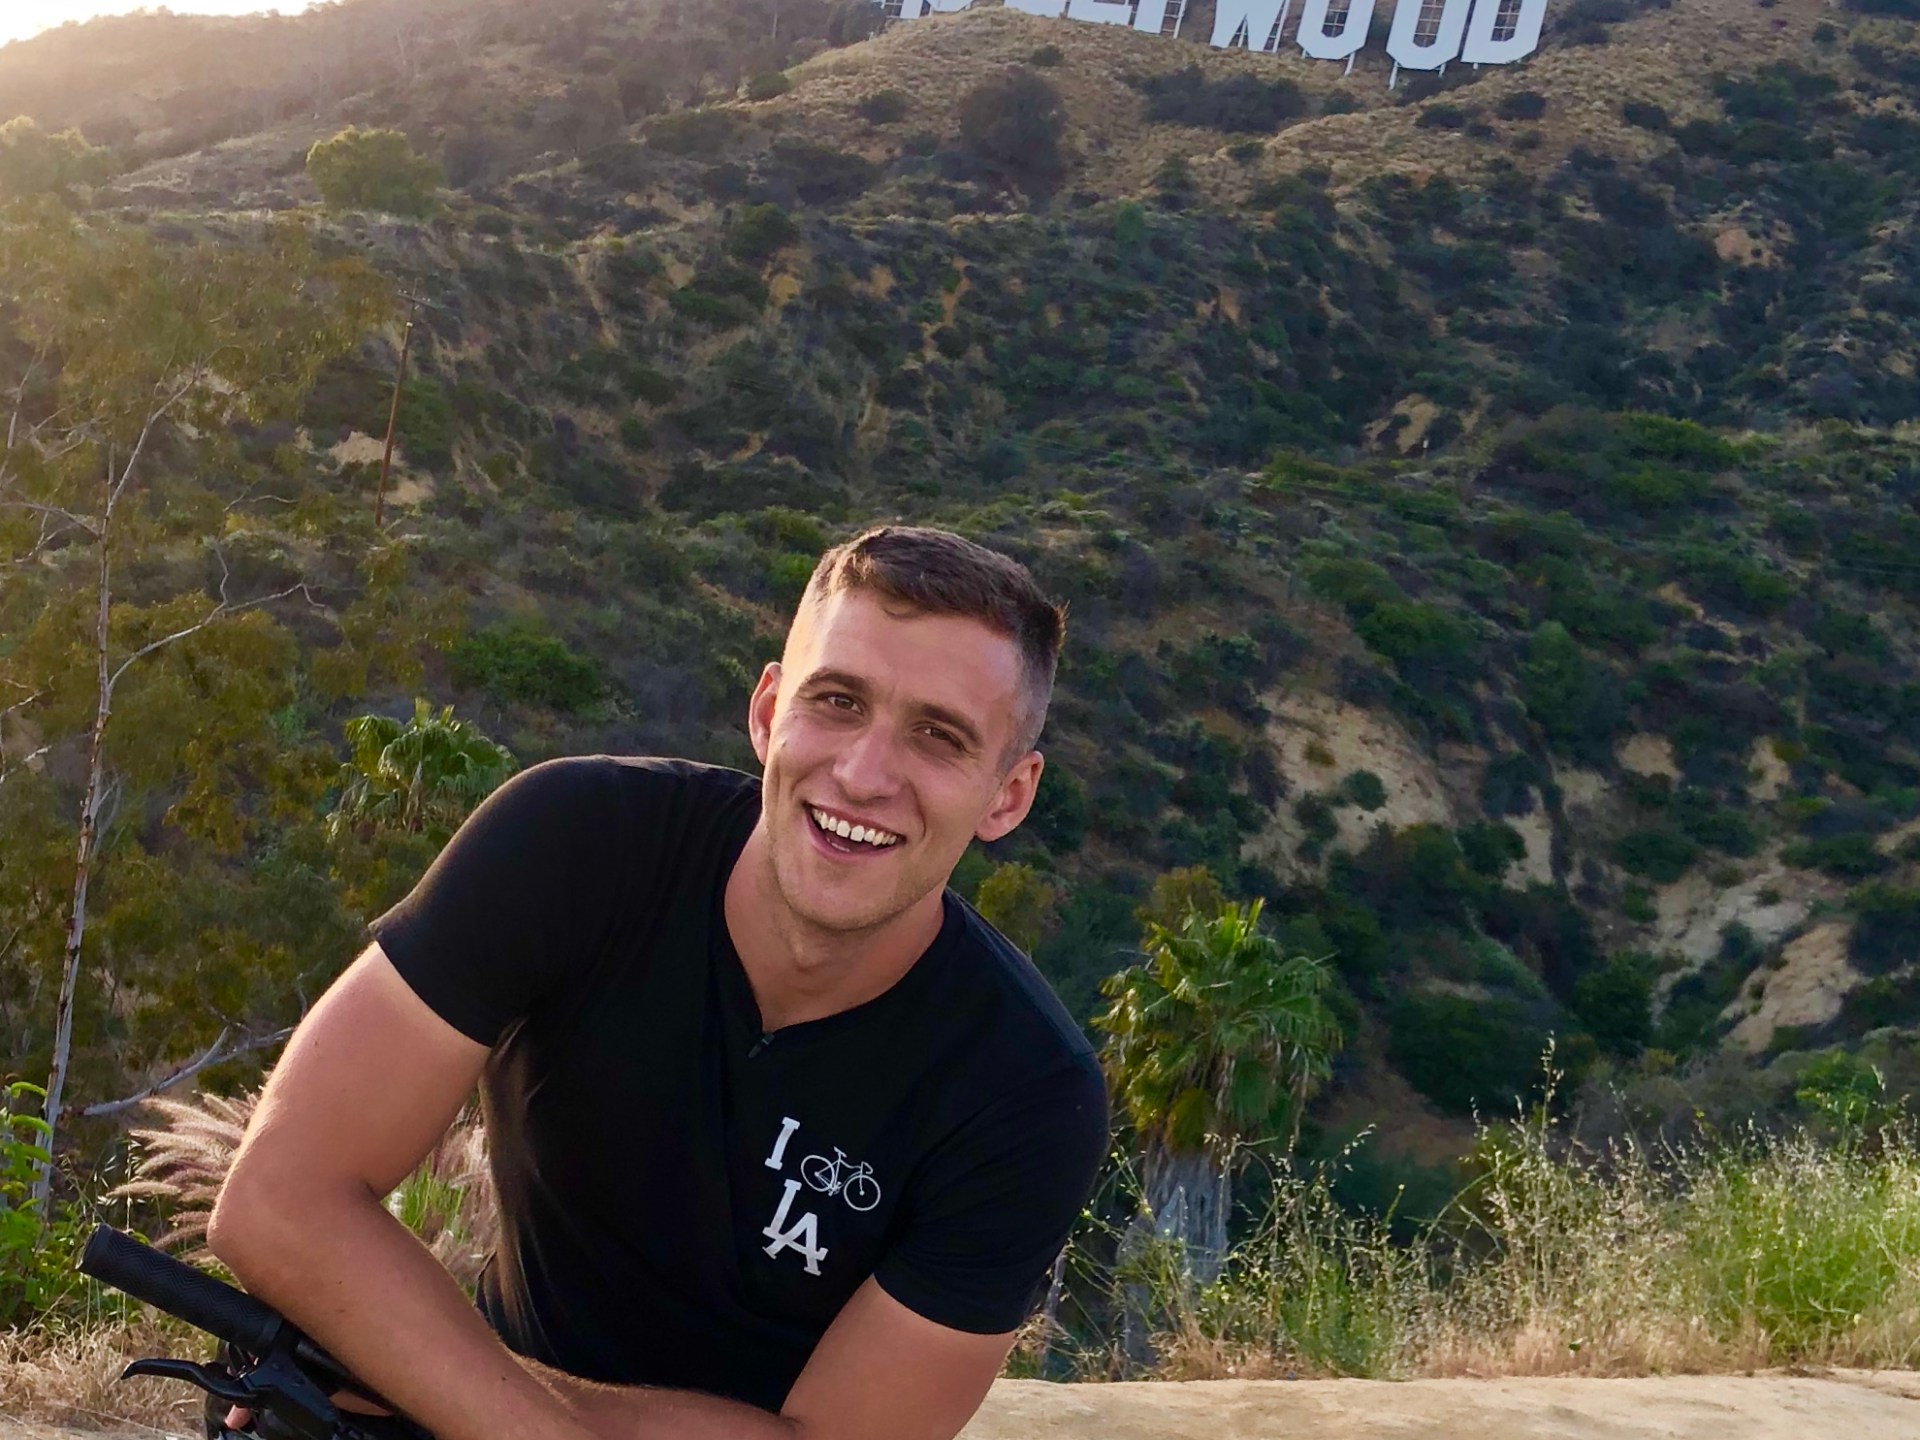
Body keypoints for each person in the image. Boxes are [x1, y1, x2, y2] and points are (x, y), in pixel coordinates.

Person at [208, 525, 1109, 1440]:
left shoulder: (1026, 1091)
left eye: (939, 737)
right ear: (767, 712)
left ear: (1008, 794)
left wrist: (417, 1371)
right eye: (836, 700)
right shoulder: (578, 842)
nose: (864, 773)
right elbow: (280, 1199)